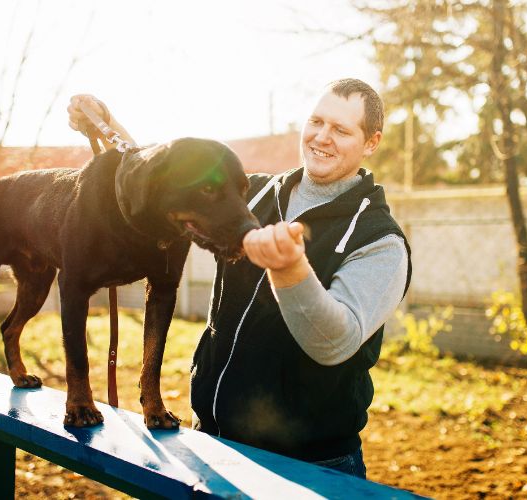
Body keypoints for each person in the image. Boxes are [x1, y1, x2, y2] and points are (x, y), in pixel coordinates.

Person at [68, 79, 411, 478]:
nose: (322, 136)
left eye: (341, 129)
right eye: (316, 121)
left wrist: (288, 270)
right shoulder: (256, 194)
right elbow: (165, 175)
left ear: (371, 142)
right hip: (213, 442)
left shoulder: (379, 240)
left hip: (312, 466)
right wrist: (106, 123)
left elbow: (334, 342)